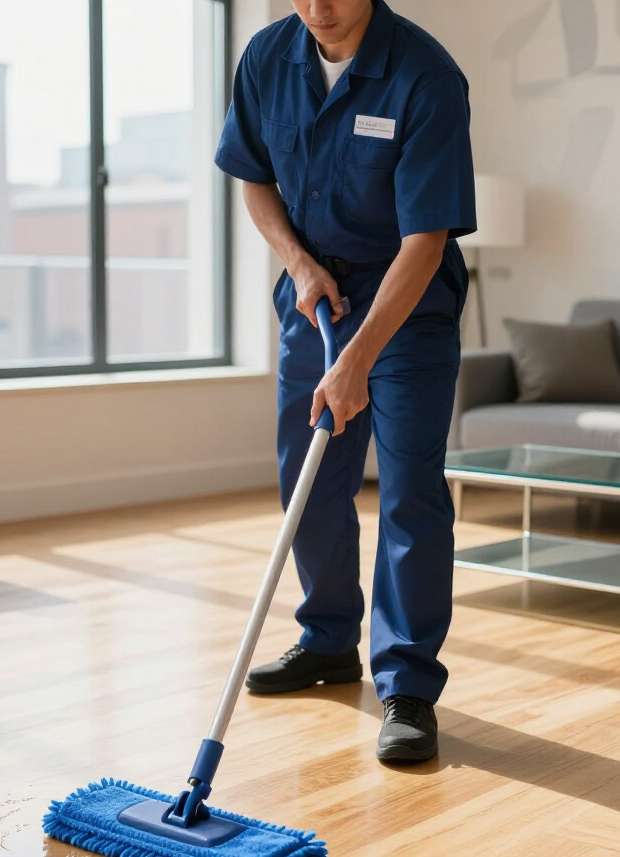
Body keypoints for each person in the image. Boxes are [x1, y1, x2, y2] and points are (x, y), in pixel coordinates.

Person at [215, 0, 476, 762]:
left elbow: (426, 241)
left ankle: (408, 686)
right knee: (309, 476)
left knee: (408, 490)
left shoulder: (425, 76)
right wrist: (298, 264)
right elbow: (253, 180)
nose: (317, 9)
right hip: (314, 295)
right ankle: (327, 641)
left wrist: (358, 356)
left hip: (408, 304)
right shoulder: (268, 57)